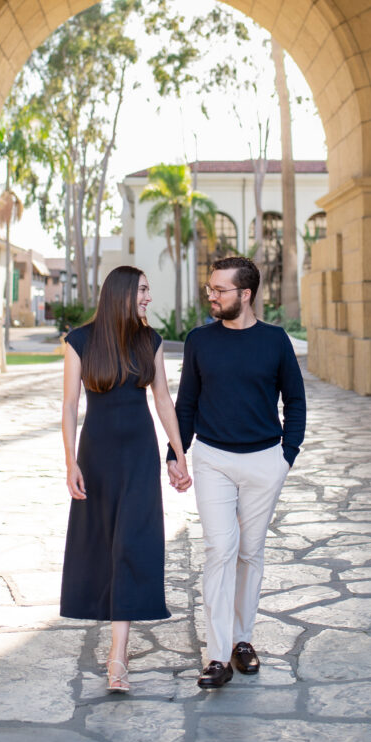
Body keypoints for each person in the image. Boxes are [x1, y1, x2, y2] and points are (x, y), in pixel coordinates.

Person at [168, 256, 306, 688]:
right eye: (210, 288)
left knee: (250, 552)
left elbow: (296, 401)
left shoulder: (276, 341)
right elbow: (186, 402)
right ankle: (216, 656)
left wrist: (287, 455)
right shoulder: (199, 340)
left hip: (265, 461)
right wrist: (175, 453)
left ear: (245, 295)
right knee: (221, 550)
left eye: (220, 290)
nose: (211, 295)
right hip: (213, 458)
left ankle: (242, 640)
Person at [61, 265, 191, 692]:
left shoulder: (148, 340)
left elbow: (163, 401)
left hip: (138, 455)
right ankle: (115, 648)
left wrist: (177, 452)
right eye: (142, 290)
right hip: (95, 456)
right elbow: (68, 408)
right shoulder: (79, 341)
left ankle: (118, 655)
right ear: (121, 293)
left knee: (131, 544)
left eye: (148, 291)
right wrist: (70, 462)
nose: (148, 298)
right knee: (101, 545)